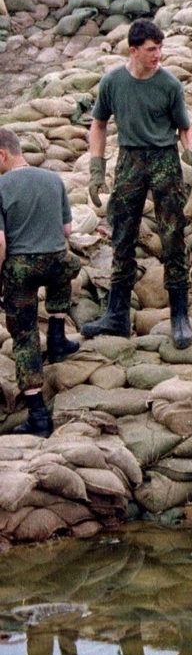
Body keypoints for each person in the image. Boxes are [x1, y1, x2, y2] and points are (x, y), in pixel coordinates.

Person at [84, 18, 192, 349]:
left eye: (160, 48)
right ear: (133, 50)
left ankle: (179, 316)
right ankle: (116, 315)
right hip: (130, 160)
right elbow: (99, 124)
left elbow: (184, 127)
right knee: (122, 233)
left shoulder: (169, 85)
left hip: (163, 159)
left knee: (173, 235)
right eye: (151, 49)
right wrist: (95, 168)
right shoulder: (113, 83)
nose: (158, 55)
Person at [0, 128, 80, 437]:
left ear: (2, 155)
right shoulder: (53, 179)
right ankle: (58, 338)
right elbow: (68, 230)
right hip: (56, 261)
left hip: (21, 267)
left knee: (24, 336)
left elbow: (2, 244)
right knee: (67, 265)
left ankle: (37, 415)